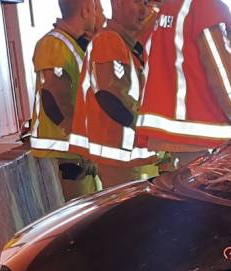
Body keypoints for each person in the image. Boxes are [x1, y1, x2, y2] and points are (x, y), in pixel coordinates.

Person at [136, 0, 231, 166]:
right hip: (213, 138)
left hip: (182, 135)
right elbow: (223, 73)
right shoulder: (206, 7)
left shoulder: (167, 9)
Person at [69, 0, 160, 187]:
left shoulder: (129, 45)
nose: (145, 10)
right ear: (117, 4)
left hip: (127, 155)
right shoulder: (109, 41)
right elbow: (111, 97)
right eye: (137, 2)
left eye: (146, 3)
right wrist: (150, 130)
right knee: (130, 206)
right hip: (118, 156)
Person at [29, 0, 99, 200]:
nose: (97, 14)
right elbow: (53, 98)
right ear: (85, 11)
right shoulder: (54, 44)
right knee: (80, 213)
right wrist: (81, 145)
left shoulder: (72, 44)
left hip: (73, 154)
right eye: (95, 8)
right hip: (65, 155)